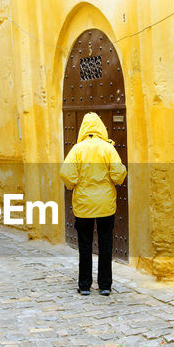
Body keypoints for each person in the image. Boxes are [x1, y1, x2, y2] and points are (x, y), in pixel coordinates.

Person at [59, 112, 127, 295]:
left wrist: (73, 184)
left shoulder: (77, 149)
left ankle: (84, 285)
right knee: (105, 244)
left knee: (85, 245)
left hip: (83, 206)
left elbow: (66, 173)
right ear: (100, 128)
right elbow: (118, 175)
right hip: (105, 204)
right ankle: (105, 286)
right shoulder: (108, 148)